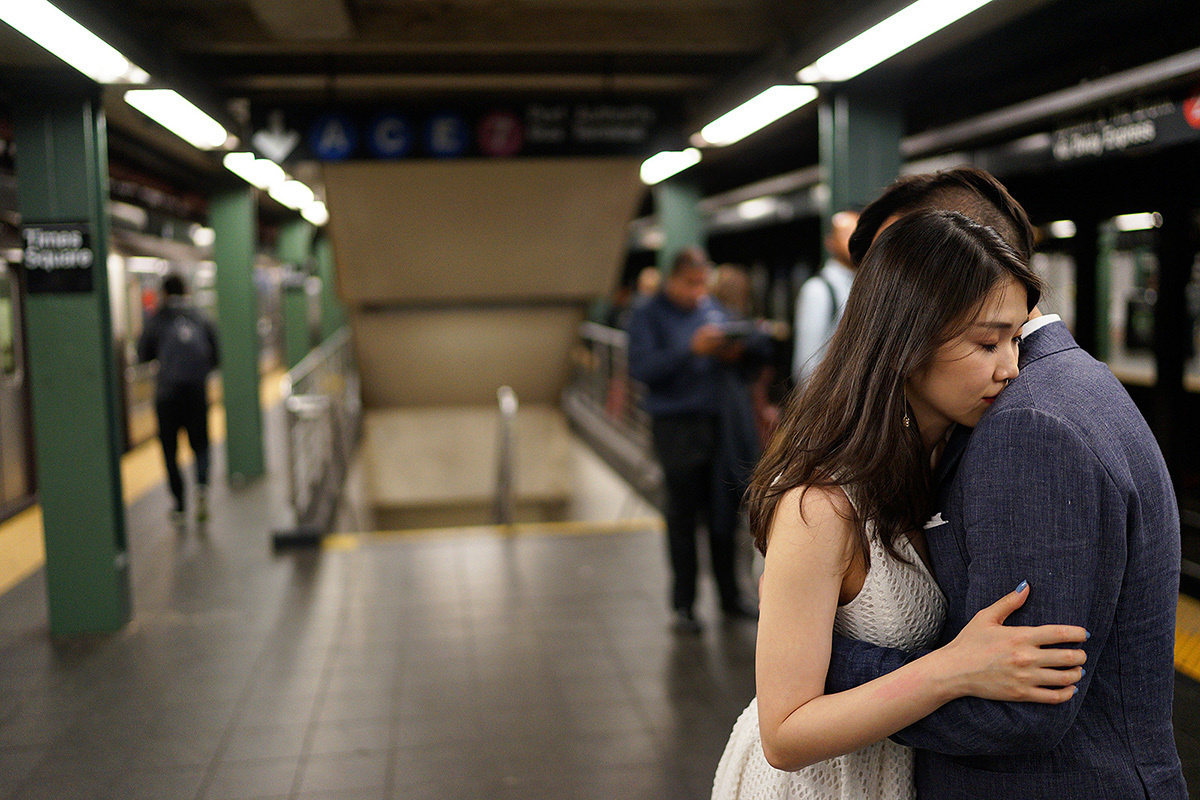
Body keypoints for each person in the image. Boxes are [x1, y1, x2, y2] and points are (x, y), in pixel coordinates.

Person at [822, 168, 1186, 797]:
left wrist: (819, 663)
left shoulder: (1028, 423)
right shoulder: (1058, 387)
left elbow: (1019, 709)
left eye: (900, 269)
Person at [711, 209, 1088, 799]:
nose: (1011, 367)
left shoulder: (954, 460)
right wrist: (953, 670)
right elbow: (783, 732)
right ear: (908, 342)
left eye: (1016, 339)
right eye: (987, 342)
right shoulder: (822, 504)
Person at [627, 247, 765, 632]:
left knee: (724, 510)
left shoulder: (712, 310)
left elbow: (750, 346)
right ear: (672, 278)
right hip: (676, 426)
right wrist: (690, 350)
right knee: (683, 514)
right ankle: (684, 605)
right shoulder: (648, 314)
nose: (697, 292)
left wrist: (735, 348)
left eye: (702, 283)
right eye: (690, 283)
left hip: (718, 423)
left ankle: (729, 594)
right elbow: (642, 368)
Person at [137, 272, 220, 528]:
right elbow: (216, 356)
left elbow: (143, 354)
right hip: (196, 391)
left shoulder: (158, 318)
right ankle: (202, 486)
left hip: (167, 394)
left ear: (164, 293)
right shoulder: (200, 316)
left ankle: (180, 504)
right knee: (201, 444)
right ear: (186, 291)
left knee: (170, 449)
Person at [792, 209, 858, 384]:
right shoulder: (818, 290)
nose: (854, 240)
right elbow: (806, 366)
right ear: (830, 242)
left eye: (859, 233)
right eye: (846, 234)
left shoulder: (862, 284)